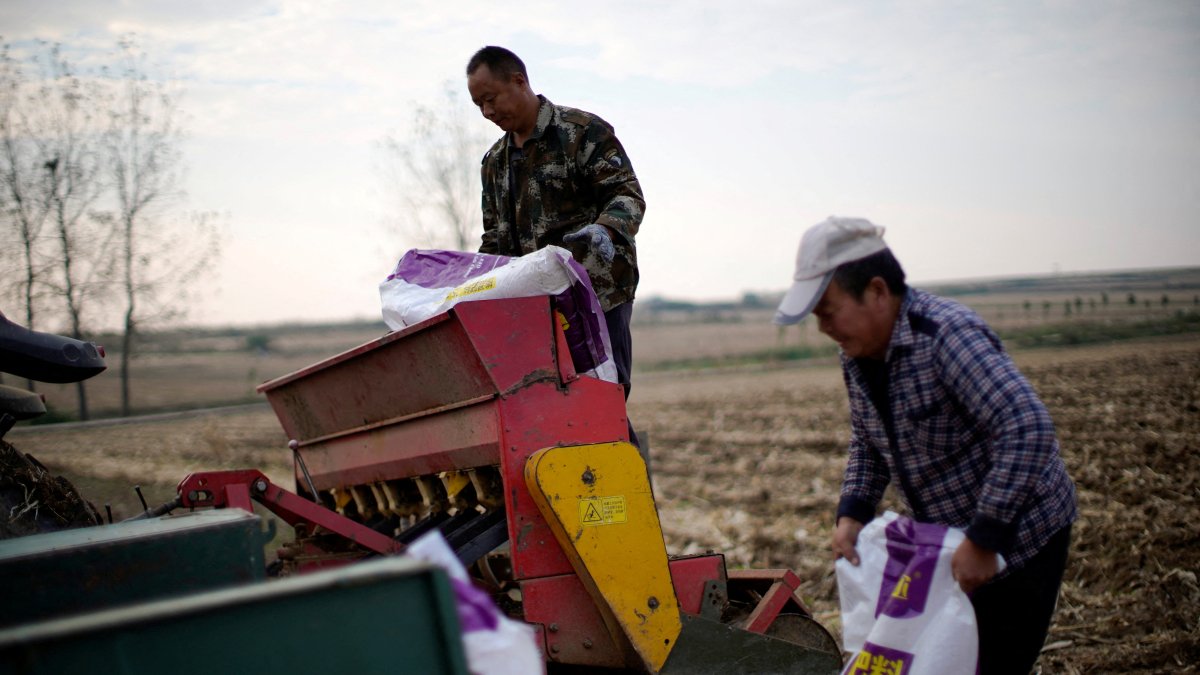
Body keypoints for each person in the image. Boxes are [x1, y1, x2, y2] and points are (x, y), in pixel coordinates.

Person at [775, 216, 1077, 675]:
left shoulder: (945, 337)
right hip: (950, 542)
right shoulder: (857, 355)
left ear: (877, 291)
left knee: (992, 662)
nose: (823, 328)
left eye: (828, 311)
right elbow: (867, 438)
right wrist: (853, 513)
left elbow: (1026, 428)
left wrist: (983, 538)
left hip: (1021, 537)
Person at [465, 46, 645, 437]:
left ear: (519, 81)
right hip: (531, 309)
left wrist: (606, 231)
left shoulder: (581, 133)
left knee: (601, 404)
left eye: (490, 99)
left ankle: (629, 496)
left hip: (595, 295)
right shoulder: (494, 163)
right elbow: (493, 238)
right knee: (546, 414)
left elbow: (626, 195)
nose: (487, 112)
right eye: (478, 104)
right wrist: (473, 288)